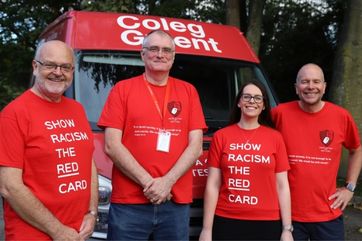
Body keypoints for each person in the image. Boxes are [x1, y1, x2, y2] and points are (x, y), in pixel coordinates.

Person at [98, 30, 207, 241]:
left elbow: (195, 146)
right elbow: (112, 145)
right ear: (142, 54)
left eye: (167, 50)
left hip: (175, 202)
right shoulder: (122, 90)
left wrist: (167, 182)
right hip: (130, 203)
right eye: (154, 49)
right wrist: (150, 183)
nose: (160, 54)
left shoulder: (188, 91)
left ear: (173, 57)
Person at [0, 40, 98, 241]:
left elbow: (88, 162)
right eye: (50, 65)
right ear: (36, 67)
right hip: (33, 234)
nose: (58, 72)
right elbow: (9, 186)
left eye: (65, 67)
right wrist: (58, 231)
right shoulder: (14, 114)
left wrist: (92, 212)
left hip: (76, 232)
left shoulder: (77, 109)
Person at [272, 63, 362, 241]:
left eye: (316, 81)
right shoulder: (279, 114)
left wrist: (350, 187)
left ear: (324, 87)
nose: (311, 86)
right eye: (305, 82)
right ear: (296, 88)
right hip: (286, 214)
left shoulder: (341, 116)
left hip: (327, 214)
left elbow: (357, 149)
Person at [199, 81, 293, 241]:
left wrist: (287, 229)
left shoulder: (275, 138)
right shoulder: (221, 136)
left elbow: (282, 185)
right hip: (227, 219)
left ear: (264, 105)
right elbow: (213, 184)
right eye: (247, 96)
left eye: (258, 98)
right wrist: (206, 230)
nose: (252, 101)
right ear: (239, 102)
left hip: (266, 221)